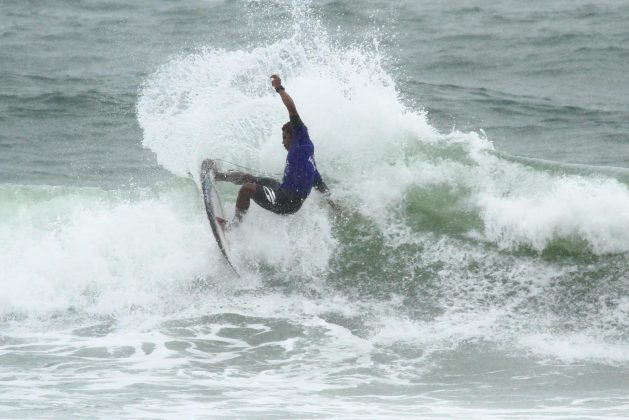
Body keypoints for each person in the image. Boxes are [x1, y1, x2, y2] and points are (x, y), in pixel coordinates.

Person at [207, 74, 337, 229]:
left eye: (285, 137)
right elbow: (321, 186)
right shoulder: (309, 160)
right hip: (282, 190)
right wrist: (335, 205)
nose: (283, 142)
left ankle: (231, 226)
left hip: (287, 202)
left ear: (294, 135)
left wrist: (279, 88)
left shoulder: (301, 141)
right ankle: (218, 175)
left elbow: (291, 108)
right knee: (250, 178)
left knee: (247, 188)